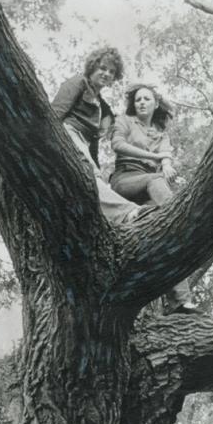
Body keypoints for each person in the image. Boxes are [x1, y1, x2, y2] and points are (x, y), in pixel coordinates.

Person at [109, 82, 198, 313]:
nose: (141, 102)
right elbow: (117, 145)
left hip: (148, 192)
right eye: (138, 99)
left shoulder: (161, 134)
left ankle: (179, 302)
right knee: (155, 180)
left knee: (168, 240)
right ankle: (180, 219)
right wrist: (155, 157)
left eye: (146, 99)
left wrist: (166, 163)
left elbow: (166, 157)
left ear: (155, 103)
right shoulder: (125, 121)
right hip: (125, 180)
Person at [50, 46, 123, 168]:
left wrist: (96, 167)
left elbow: (94, 139)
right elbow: (55, 114)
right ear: (92, 67)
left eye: (112, 72)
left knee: (95, 175)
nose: (107, 74)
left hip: (84, 146)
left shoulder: (103, 107)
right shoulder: (78, 82)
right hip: (69, 135)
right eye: (103, 68)